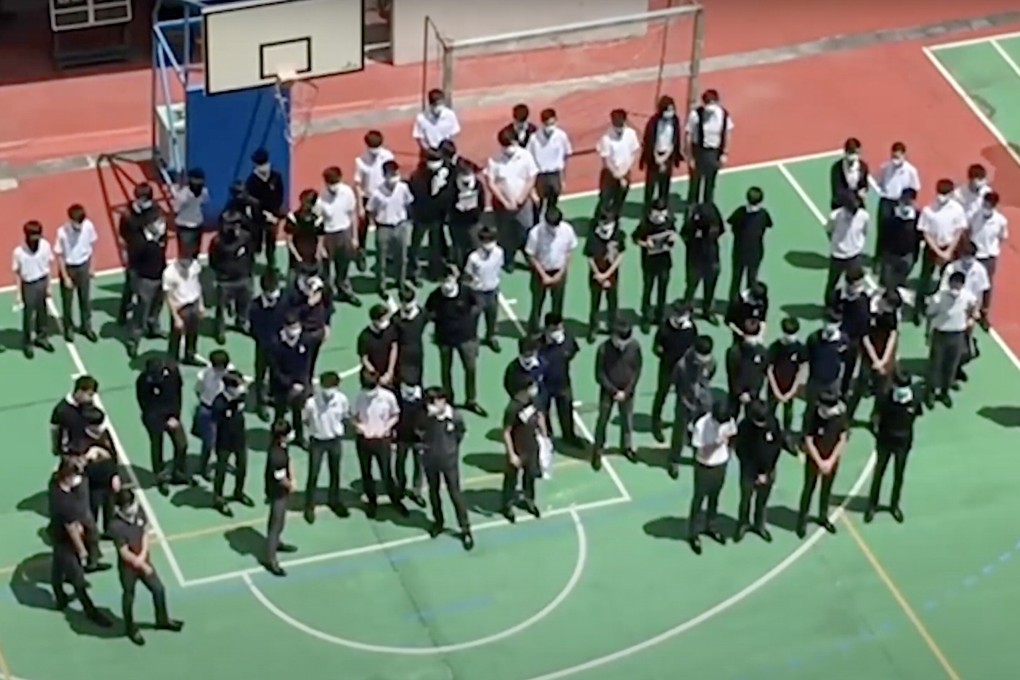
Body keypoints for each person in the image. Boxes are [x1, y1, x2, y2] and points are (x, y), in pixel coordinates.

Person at [109, 488, 183, 645]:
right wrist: (142, 565)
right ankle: (130, 628)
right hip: (128, 569)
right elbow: (124, 553)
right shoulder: (115, 526)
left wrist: (143, 555)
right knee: (129, 596)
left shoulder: (139, 511)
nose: (131, 508)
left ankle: (162, 620)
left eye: (131, 504)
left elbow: (144, 533)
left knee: (158, 589)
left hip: (143, 562)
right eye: (127, 506)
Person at [48, 460, 111, 627]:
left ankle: (60, 597)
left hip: (56, 534)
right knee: (78, 578)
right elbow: (72, 530)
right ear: (67, 476)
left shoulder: (54, 484)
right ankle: (90, 611)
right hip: (66, 541)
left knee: (58, 566)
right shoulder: (64, 502)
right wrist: (82, 550)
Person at [425, 270, 486, 416]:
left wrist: (469, 320)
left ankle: (471, 400)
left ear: (455, 279)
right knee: (446, 370)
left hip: (466, 338)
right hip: (444, 339)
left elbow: (479, 304)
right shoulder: (435, 296)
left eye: (449, 280)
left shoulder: (466, 292)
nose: (446, 284)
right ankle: (448, 398)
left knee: (470, 369)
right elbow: (428, 312)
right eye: (443, 281)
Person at [420, 387, 473, 548]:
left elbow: (460, 433)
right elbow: (418, 431)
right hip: (430, 459)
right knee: (433, 491)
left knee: (455, 493)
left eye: (434, 402)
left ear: (443, 401)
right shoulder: (425, 416)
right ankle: (438, 521)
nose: (431, 406)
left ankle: (465, 528)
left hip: (449, 462)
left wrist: (451, 449)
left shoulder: (455, 416)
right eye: (429, 402)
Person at [866, 371, 922, 523]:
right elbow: (876, 417)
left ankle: (894, 505)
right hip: (885, 440)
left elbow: (916, 414)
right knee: (879, 473)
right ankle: (872, 504)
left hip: (903, 443)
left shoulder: (915, 398)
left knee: (898, 475)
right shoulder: (885, 397)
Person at [353, 373, 408, 519]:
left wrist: (386, 427)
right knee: (366, 472)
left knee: (386, 471)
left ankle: (394, 499)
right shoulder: (360, 397)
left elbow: (395, 414)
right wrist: (360, 427)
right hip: (365, 440)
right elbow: (354, 416)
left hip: (382, 439)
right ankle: (372, 501)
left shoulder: (388, 397)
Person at [913, 178, 967, 324]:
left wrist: (948, 251)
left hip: (950, 248)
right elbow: (926, 232)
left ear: (951, 194)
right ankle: (918, 308)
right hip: (933, 248)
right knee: (925, 278)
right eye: (940, 193)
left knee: (947, 278)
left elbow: (958, 231)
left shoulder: (957, 210)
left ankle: (943, 307)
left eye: (945, 193)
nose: (941, 197)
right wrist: (938, 251)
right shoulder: (929, 210)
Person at [687, 401, 736, 554]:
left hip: (721, 464)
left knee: (714, 497)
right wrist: (716, 444)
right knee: (699, 498)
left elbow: (732, 434)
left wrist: (727, 450)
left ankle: (711, 526)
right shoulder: (701, 425)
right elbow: (699, 449)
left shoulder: (727, 419)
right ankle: (693, 533)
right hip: (704, 465)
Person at [591, 320, 642, 470]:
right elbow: (599, 374)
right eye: (621, 340)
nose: (623, 344)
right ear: (613, 336)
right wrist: (614, 391)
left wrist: (627, 391)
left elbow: (637, 370)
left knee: (627, 420)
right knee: (602, 420)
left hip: (627, 392)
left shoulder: (634, 347)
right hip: (608, 392)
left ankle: (626, 447)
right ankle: (598, 449)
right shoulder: (603, 349)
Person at [797, 390, 848, 537]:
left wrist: (831, 460)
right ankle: (802, 519)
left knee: (826, 489)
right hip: (814, 459)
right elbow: (809, 440)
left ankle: (823, 516)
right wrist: (820, 461)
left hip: (831, 459)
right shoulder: (813, 416)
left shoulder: (839, 416)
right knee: (809, 488)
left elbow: (842, 438)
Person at [135, 356, 188, 495]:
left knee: (181, 444)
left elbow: (178, 395)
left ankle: (178, 472)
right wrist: (162, 421)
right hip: (154, 418)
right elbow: (145, 404)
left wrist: (175, 417)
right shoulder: (143, 380)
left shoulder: (173, 374)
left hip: (172, 414)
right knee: (157, 445)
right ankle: (160, 476)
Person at [925, 270, 978, 408]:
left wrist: (971, 318)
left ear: (962, 285)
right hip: (941, 334)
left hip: (958, 334)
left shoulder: (967, 296)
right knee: (935, 365)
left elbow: (973, 306)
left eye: (958, 284)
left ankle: (944, 392)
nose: (956, 287)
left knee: (951, 366)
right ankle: (930, 393)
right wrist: (928, 333)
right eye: (954, 284)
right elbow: (929, 314)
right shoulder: (938, 298)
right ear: (949, 283)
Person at [488, 127, 539, 271]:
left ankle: (530, 258)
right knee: (505, 234)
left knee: (526, 231)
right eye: (505, 145)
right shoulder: (495, 160)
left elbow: (531, 177)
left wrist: (522, 197)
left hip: (523, 204)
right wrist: (505, 202)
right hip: (502, 206)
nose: (508, 149)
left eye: (510, 144)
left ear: (516, 142)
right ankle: (508, 260)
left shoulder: (525, 156)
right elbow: (491, 183)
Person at [302, 371, 351, 522]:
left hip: (334, 440)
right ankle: (309, 505)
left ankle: (334, 500)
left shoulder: (342, 400)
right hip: (317, 441)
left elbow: (344, 416)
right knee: (313, 473)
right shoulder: (311, 403)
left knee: (335, 472)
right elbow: (306, 419)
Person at [734, 399, 785, 543]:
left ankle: (759, 524)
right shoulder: (744, 427)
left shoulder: (773, 423)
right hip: (749, 472)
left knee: (762, 500)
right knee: (745, 499)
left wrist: (767, 471)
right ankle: (743, 523)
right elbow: (741, 452)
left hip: (768, 471)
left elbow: (777, 446)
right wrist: (755, 474)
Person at [668, 334, 716, 478]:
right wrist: (685, 397)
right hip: (685, 403)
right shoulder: (682, 365)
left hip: (703, 404)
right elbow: (675, 381)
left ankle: (698, 454)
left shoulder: (711, 362)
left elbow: (709, 376)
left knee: (701, 431)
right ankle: (674, 459)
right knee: (679, 432)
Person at [650, 301, 698, 442]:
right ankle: (655, 422)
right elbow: (656, 346)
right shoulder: (665, 327)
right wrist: (661, 352)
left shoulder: (691, 329)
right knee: (662, 393)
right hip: (667, 367)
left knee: (683, 397)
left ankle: (683, 424)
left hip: (684, 370)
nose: (680, 317)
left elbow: (693, 347)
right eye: (677, 313)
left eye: (683, 314)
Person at [117, 183, 165, 324]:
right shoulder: (128, 214)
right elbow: (123, 232)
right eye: (138, 198)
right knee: (130, 286)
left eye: (143, 199)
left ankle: (151, 320)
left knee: (155, 292)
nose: (140, 202)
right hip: (134, 256)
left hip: (152, 257)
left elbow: (162, 235)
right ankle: (123, 314)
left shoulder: (156, 212)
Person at [848, 290, 900, 420]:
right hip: (869, 356)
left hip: (884, 357)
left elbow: (892, 336)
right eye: (889, 306)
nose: (890, 310)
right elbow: (865, 338)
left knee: (882, 391)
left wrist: (884, 360)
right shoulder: (869, 311)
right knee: (859, 388)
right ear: (882, 300)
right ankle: (848, 417)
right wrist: (875, 360)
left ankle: (875, 418)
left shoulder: (891, 315)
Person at [525, 206, 578, 332]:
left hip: (559, 271)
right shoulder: (535, 233)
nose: (554, 228)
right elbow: (531, 256)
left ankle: (555, 328)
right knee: (537, 303)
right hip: (540, 272)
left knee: (558, 303)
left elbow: (569, 252)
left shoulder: (567, 230)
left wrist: (560, 273)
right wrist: (543, 275)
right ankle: (534, 329)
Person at [368, 160, 415, 296]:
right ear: (384, 175)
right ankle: (381, 285)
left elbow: (408, 203)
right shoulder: (377, 193)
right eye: (391, 174)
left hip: (401, 226)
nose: (394, 177)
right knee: (381, 259)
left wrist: (408, 221)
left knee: (402, 258)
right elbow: (371, 209)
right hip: (384, 228)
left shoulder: (403, 188)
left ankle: (400, 282)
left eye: (395, 174)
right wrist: (373, 224)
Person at [408, 149, 454, 284]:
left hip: (436, 217)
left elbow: (449, 195)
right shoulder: (417, 176)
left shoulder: (444, 175)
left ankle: (435, 270)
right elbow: (416, 196)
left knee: (435, 246)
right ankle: (413, 272)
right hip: (421, 217)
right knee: (416, 246)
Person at [208, 210, 255, 343]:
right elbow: (213, 261)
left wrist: (248, 272)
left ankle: (242, 323)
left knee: (244, 304)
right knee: (221, 308)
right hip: (225, 281)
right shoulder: (217, 241)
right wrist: (220, 274)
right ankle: (220, 329)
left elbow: (250, 255)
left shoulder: (246, 237)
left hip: (243, 278)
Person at [501, 377, 544, 522]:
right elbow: (506, 432)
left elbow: (539, 415)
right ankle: (507, 505)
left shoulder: (534, 400)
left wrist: (543, 433)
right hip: (517, 448)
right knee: (511, 479)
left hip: (531, 446)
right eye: (532, 387)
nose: (534, 389)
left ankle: (529, 500)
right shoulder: (513, 408)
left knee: (530, 476)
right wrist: (511, 454)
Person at [210, 371, 253, 516]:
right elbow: (215, 421)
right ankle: (218, 498)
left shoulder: (241, 398)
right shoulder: (219, 403)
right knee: (221, 470)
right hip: (224, 441)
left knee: (242, 466)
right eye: (238, 386)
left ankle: (238, 492)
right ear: (229, 388)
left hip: (240, 438)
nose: (241, 388)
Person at [317, 166, 360, 304]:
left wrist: (354, 237)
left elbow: (352, 215)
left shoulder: (347, 192)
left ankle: (345, 291)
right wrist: (320, 247)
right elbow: (319, 223)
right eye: (330, 183)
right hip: (328, 235)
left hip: (344, 232)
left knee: (343, 266)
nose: (333, 186)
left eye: (335, 182)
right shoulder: (321, 198)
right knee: (325, 269)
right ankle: (326, 296)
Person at [55, 204, 98, 342]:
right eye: (76, 222)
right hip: (69, 268)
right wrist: (65, 276)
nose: (79, 225)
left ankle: (87, 327)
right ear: (70, 220)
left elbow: (92, 246)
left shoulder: (88, 226)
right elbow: (59, 255)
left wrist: (92, 267)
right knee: (67, 301)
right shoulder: (62, 232)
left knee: (85, 299)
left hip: (84, 266)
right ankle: (68, 328)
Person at [354, 130, 396, 271]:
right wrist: (360, 206)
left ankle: (386, 253)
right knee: (363, 226)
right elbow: (358, 184)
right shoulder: (360, 161)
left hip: (383, 196)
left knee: (383, 225)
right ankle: (361, 252)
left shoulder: (388, 156)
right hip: (368, 196)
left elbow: (392, 175)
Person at [633, 198, 677, 331]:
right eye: (658, 212)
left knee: (662, 289)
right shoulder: (645, 224)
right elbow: (635, 238)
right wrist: (645, 243)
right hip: (649, 262)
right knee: (648, 289)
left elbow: (673, 233)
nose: (660, 215)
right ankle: (645, 317)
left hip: (664, 261)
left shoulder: (669, 221)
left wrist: (672, 238)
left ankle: (660, 316)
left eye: (663, 212)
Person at [269, 312, 314, 440]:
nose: (294, 330)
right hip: (281, 386)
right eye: (291, 327)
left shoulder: (304, 340)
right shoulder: (276, 343)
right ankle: (277, 437)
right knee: (280, 412)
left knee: (297, 412)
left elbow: (306, 364)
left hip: (299, 384)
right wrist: (290, 384)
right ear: (285, 327)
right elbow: (275, 369)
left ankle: (299, 437)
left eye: (296, 326)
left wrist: (301, 383)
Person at [874, 142, 921, 263]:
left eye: (898, 156)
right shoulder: (885, 168)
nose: (895, 159)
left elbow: (914, 189)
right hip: (886, 201)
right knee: (882, 230)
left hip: (901, 204)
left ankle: (894, 257)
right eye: (893, 156)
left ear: (904, 155)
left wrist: (907, 203)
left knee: (898, 231)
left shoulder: (911, 171)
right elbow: (879, 183)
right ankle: (878, 258)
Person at [14, 220, 55, 358]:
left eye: (38, 235)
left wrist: (49, 286)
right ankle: (27, 343)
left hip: (42, 281)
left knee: (42, 312)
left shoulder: (45, 246)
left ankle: (41, 338)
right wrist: (18, 293)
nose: (36, 239)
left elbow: (48, 267)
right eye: (33, 236)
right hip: (28, 285)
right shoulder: (19, 252)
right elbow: (17, 274)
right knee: (28, 315)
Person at [539, 313, 581, 446]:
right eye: (553, 329)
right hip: (544, 384)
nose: (557, 331)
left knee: (566, 411)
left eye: (559, 328)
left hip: (563, 383)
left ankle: (569, 436)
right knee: (544, 411)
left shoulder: (568, 339)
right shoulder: (538, 343)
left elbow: (573, 351)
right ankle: (548, 436)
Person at [833, 264, 874, 400]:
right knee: (840, 365)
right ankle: (838, 389)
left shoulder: (859, 297)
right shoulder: (854, 299)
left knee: (849, 367)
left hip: (853, 338)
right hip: (845, 337)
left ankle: (843, 390)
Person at [685, 89, 733, 205]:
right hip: (699, 151)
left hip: (714, 152)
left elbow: (728, 133)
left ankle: (707, 206)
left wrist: (725, 153)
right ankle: (693, 205)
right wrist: (690, 157)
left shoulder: (723, 115)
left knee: (710, 182)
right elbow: (688, 135)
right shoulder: (695, 115)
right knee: (695, 182)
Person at [264, 418, 298, 577]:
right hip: (277, 492)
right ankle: (271, 559)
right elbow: (280, 478)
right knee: (276, 523)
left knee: (280, 519)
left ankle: (277, 542)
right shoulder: (276, 455)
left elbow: (289, 461)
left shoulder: (280, 446)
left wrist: (293, 477)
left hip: (281, 490)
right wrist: (291, 486)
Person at [968, 190, 1007, 328]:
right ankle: (969, 309)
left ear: (994, 206)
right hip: (974, 255)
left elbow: (1002, 237)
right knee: (970, 283)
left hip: (989, 257)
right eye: (985, 203)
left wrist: (991, 250)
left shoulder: (1001, 221)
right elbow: (969, 230)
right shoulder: (974, 215)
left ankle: (984, 313)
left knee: (987, 285)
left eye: (989, 204)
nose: (985, 206)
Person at [726, 186, 773, 302]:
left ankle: (733, 302)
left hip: (739, 250)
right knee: (752, 279)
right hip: (755, 251)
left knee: (736, 278)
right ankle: (748, 303)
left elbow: (731, 223)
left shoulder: (740, 212)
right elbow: (769, 224)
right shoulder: (763, 214)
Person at [249, 270, 285, 420]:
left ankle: (276, 399)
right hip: (263, 348)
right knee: (260, 376)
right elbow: (254, 329)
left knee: (278, 375)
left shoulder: (284, 301)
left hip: (281, 347)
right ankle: (261, 403)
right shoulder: (255, 306)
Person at [585, 210, 626, 343]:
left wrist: (607, 275)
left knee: (613, 303)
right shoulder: (593, 236)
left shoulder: (618, 235)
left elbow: (620, 255)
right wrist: (598, 274)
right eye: (603, 222)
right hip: (595, 276)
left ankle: (612, 326)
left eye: (608, 222)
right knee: (595, 303)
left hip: (612, 275)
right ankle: (593, 328)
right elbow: (589, 257)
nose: (606, 225)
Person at [823, 189, 869, 305]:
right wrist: (836, 244)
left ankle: (850, 304)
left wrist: (857, 245)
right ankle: (829, 305)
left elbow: (864, 231)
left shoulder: (863, 216)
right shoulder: (835, 216)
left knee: (854, 282)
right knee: (832, 282)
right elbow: (829, 230)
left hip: (854, 254)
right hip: (838, 254)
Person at [464, 225, 505, 352]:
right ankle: (473, 339)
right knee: (474, 318)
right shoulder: (473, 258)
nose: (489, 244)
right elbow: (467, 275)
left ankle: (491, 337)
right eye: (486, 240)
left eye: (491, 240)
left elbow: (499, 267)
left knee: (492, 316)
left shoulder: (499, 252)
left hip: (492, 290)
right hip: (478, 293)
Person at [244, 148, 287, 270]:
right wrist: (262, 213)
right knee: (255, 241)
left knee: (271, 241)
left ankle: (271, 263)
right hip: (258, 217)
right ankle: (251, 262)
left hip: (273, 217)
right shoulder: (252, 181)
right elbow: (252, 201)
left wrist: (275, 215)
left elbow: (279, 196)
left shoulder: (276, 177)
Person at [192, 349, 231, 479]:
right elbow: (198, 390)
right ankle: (203, 467)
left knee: (226, 439)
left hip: (225, 411)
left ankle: (222, 463)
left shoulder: (230, 374)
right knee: (209, 442)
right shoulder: (204, 375)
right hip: (208, 410)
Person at [681, 201, 724, 319]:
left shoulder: (714, 222)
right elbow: (685, 235)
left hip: (711, 258)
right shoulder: (693, 221)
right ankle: (687, 308)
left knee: (709, 286)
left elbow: (720, 230)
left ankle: (707, 310)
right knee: (691, 286)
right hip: (695, 258)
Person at [162, 247, 204, 364]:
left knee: (193, 333)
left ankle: (190, 355)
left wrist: (201, 304)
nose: (188, 264)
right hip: (179, 307)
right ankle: (172, 360)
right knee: (176, 336)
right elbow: (168, 296)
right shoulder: (169, 273)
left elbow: (197, 285)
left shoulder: (195, 266)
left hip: (193, 303)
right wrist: (175, 317)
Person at [527, 107, 573, 215]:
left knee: (553, 203)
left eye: (552, 123)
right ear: (542, 123)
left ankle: (550, 220)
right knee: (538, 204)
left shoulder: (561, 136)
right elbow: (529, 159)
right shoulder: (534, 139)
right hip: (540, 175)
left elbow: (566, 156)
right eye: (547, 124)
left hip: (555, 174)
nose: (550, 127)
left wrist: (563, 178)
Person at [804, 308, 848, 421]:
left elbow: (845, 359)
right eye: (828, 321)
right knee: (810, 410)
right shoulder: (813, 338)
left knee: (832, 412)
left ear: (839, 324)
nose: (830, 325)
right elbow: (808, 357)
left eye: (834, 322)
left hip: (833, 382)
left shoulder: (843, 340)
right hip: (815, 381)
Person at [595, 108, 641, 216]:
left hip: (625, 172)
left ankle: (615, 219)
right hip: (610, 174)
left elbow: (634, 153)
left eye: (620, 124)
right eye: (616, 124)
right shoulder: (606, 138)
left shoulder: (631, 134)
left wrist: (625, 172)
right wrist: (618, 175)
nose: (619, 127)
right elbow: (606, 160)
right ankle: (599, 221)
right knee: (605, 200)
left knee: (620, 199)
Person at [640, 95, 682, 208]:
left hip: (667, 155)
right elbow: (649, 140)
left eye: (672, 109)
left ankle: (663, 206)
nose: (670, 112)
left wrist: (666, 157)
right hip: (654, 156)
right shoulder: (653, 122)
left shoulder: (675, 120)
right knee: (651, 185)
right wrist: (657, 158)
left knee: (665, 185)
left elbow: (674, 140)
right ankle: (647, 208)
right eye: (668, 110)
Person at [765, 316, 806, 434]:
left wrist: (792, 390)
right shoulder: (775, 347)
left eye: (793, 333)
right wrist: (776, 391)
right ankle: (770, 431)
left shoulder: (800, 348)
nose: (790, 336)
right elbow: (769, 370)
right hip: (774, 387)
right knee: (770, 411)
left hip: (790, 387)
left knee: (788, 412)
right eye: (788, 333)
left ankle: (786, 434)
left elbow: (802, 369)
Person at [876, 188, 920, 292]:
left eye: (909, 201)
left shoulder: (917, 217)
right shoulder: (891, 215)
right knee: (885, 284)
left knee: (900, 282)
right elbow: (883, 235)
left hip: (907, 255)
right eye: (904, 200)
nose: (906, 203)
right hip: (890, 255)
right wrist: (879, 256)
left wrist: (915, 256)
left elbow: (918, 237)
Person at [725, 318, 767, 417]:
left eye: (753, 336)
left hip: (753, 393)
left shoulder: (762, 352)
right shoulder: (734, 352)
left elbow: (761, 375)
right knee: (732, 414)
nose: (751, 339)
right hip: (735, 392)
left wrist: (752, 393)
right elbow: (731, 374)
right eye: (748, 336)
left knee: (752, 416)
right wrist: (739, 393)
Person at [448, 160, 486, 266]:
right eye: (463, 171)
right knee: (459, 247)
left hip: (473, 221)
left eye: (467, 171)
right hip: (457, 221)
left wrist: (476, 212)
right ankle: (461, 268)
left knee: (475, 245)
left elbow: (482, 201)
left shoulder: (477, 184)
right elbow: (449, 200)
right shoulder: (453, 184)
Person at [50, 375, 100, 457]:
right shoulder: (61, 411)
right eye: (89, 395)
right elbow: (55, 431)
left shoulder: (87, 405)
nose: (91, 399)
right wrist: (56, 449)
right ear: (79, 392)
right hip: (70, 452)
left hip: (87, 449)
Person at [395, 382, 427, 508]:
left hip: (419, 438)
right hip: (402, 435)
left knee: (419, 465)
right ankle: (400, 487)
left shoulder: (423, 397)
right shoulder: (397, 396)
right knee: (400, 462)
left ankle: (416, 491)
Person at [284, 189, 324, 283]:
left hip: (312, 259)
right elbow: (289, 241)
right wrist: (297, 257)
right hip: (297, 260)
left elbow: (320, 239)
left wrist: (318, 254)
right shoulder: (293, 218)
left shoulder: (317, 220)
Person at [170, 168, 209, 257]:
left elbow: (176, 209)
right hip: (198, 223)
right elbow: (205, 202)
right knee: (196, 248)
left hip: (183, 225)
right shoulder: (204, 192)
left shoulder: (183, 194)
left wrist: (176, 195)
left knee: (184, 251)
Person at [358, 303, 399, 388]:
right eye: (381, 320)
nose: (385, 322)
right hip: (374, 379)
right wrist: (377, 376)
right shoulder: (364, 336)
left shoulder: (390, 329)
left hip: (390, 375)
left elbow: (394, 348)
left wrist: (389, 372)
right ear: (374, 320)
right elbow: (364, 359)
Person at [395, 286, 427, 386]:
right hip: (401, 354)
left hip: (417, 352)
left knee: (418, 379)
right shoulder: (395, 319)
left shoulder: (422, 314)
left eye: (410, 301)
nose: (407, 305)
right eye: (405, 302)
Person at [413, 88, 461, 153]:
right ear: (431, 105)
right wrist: (428, 150)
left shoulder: (450, 115)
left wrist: (448, 145)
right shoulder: (421, 118)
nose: (440, 107)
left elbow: (455, 132)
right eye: (437, 104)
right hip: (430, 150)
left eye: (441, 104)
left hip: (446, 148)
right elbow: (419, 137)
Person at [828, 137, 870, 208]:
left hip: (857, 205)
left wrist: (864, 190)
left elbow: (864, 184)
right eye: (851, 152)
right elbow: (838, 191)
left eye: (856, 153)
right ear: (846, 152)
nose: (854, 156)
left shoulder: (863, 167)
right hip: (840, 205)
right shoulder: (836, 168)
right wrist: (856, 194)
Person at [503, 336, 545, 402]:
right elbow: (508, 386)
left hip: (538, 401)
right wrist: (518, 396)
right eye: (527, 354)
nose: (530, 356)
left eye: (532, 353)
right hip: (519, 401)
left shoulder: (542, 364)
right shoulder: (513, 368)